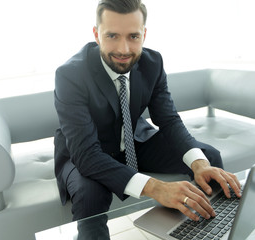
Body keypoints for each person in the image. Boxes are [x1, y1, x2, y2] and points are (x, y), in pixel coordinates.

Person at [54, 0, 241, 224]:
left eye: (133, 36)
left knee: (206, 158)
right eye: (112, 36)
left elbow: (169, 120)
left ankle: (208, 229)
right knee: (90, 195)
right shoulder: (70, 75)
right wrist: (156, 187)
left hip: (135, 141)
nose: (123, 49)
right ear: (96, 34)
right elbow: (87, 155)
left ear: (144, 34)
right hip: (85, 152)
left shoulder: (153, 62)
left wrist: (199, 164)